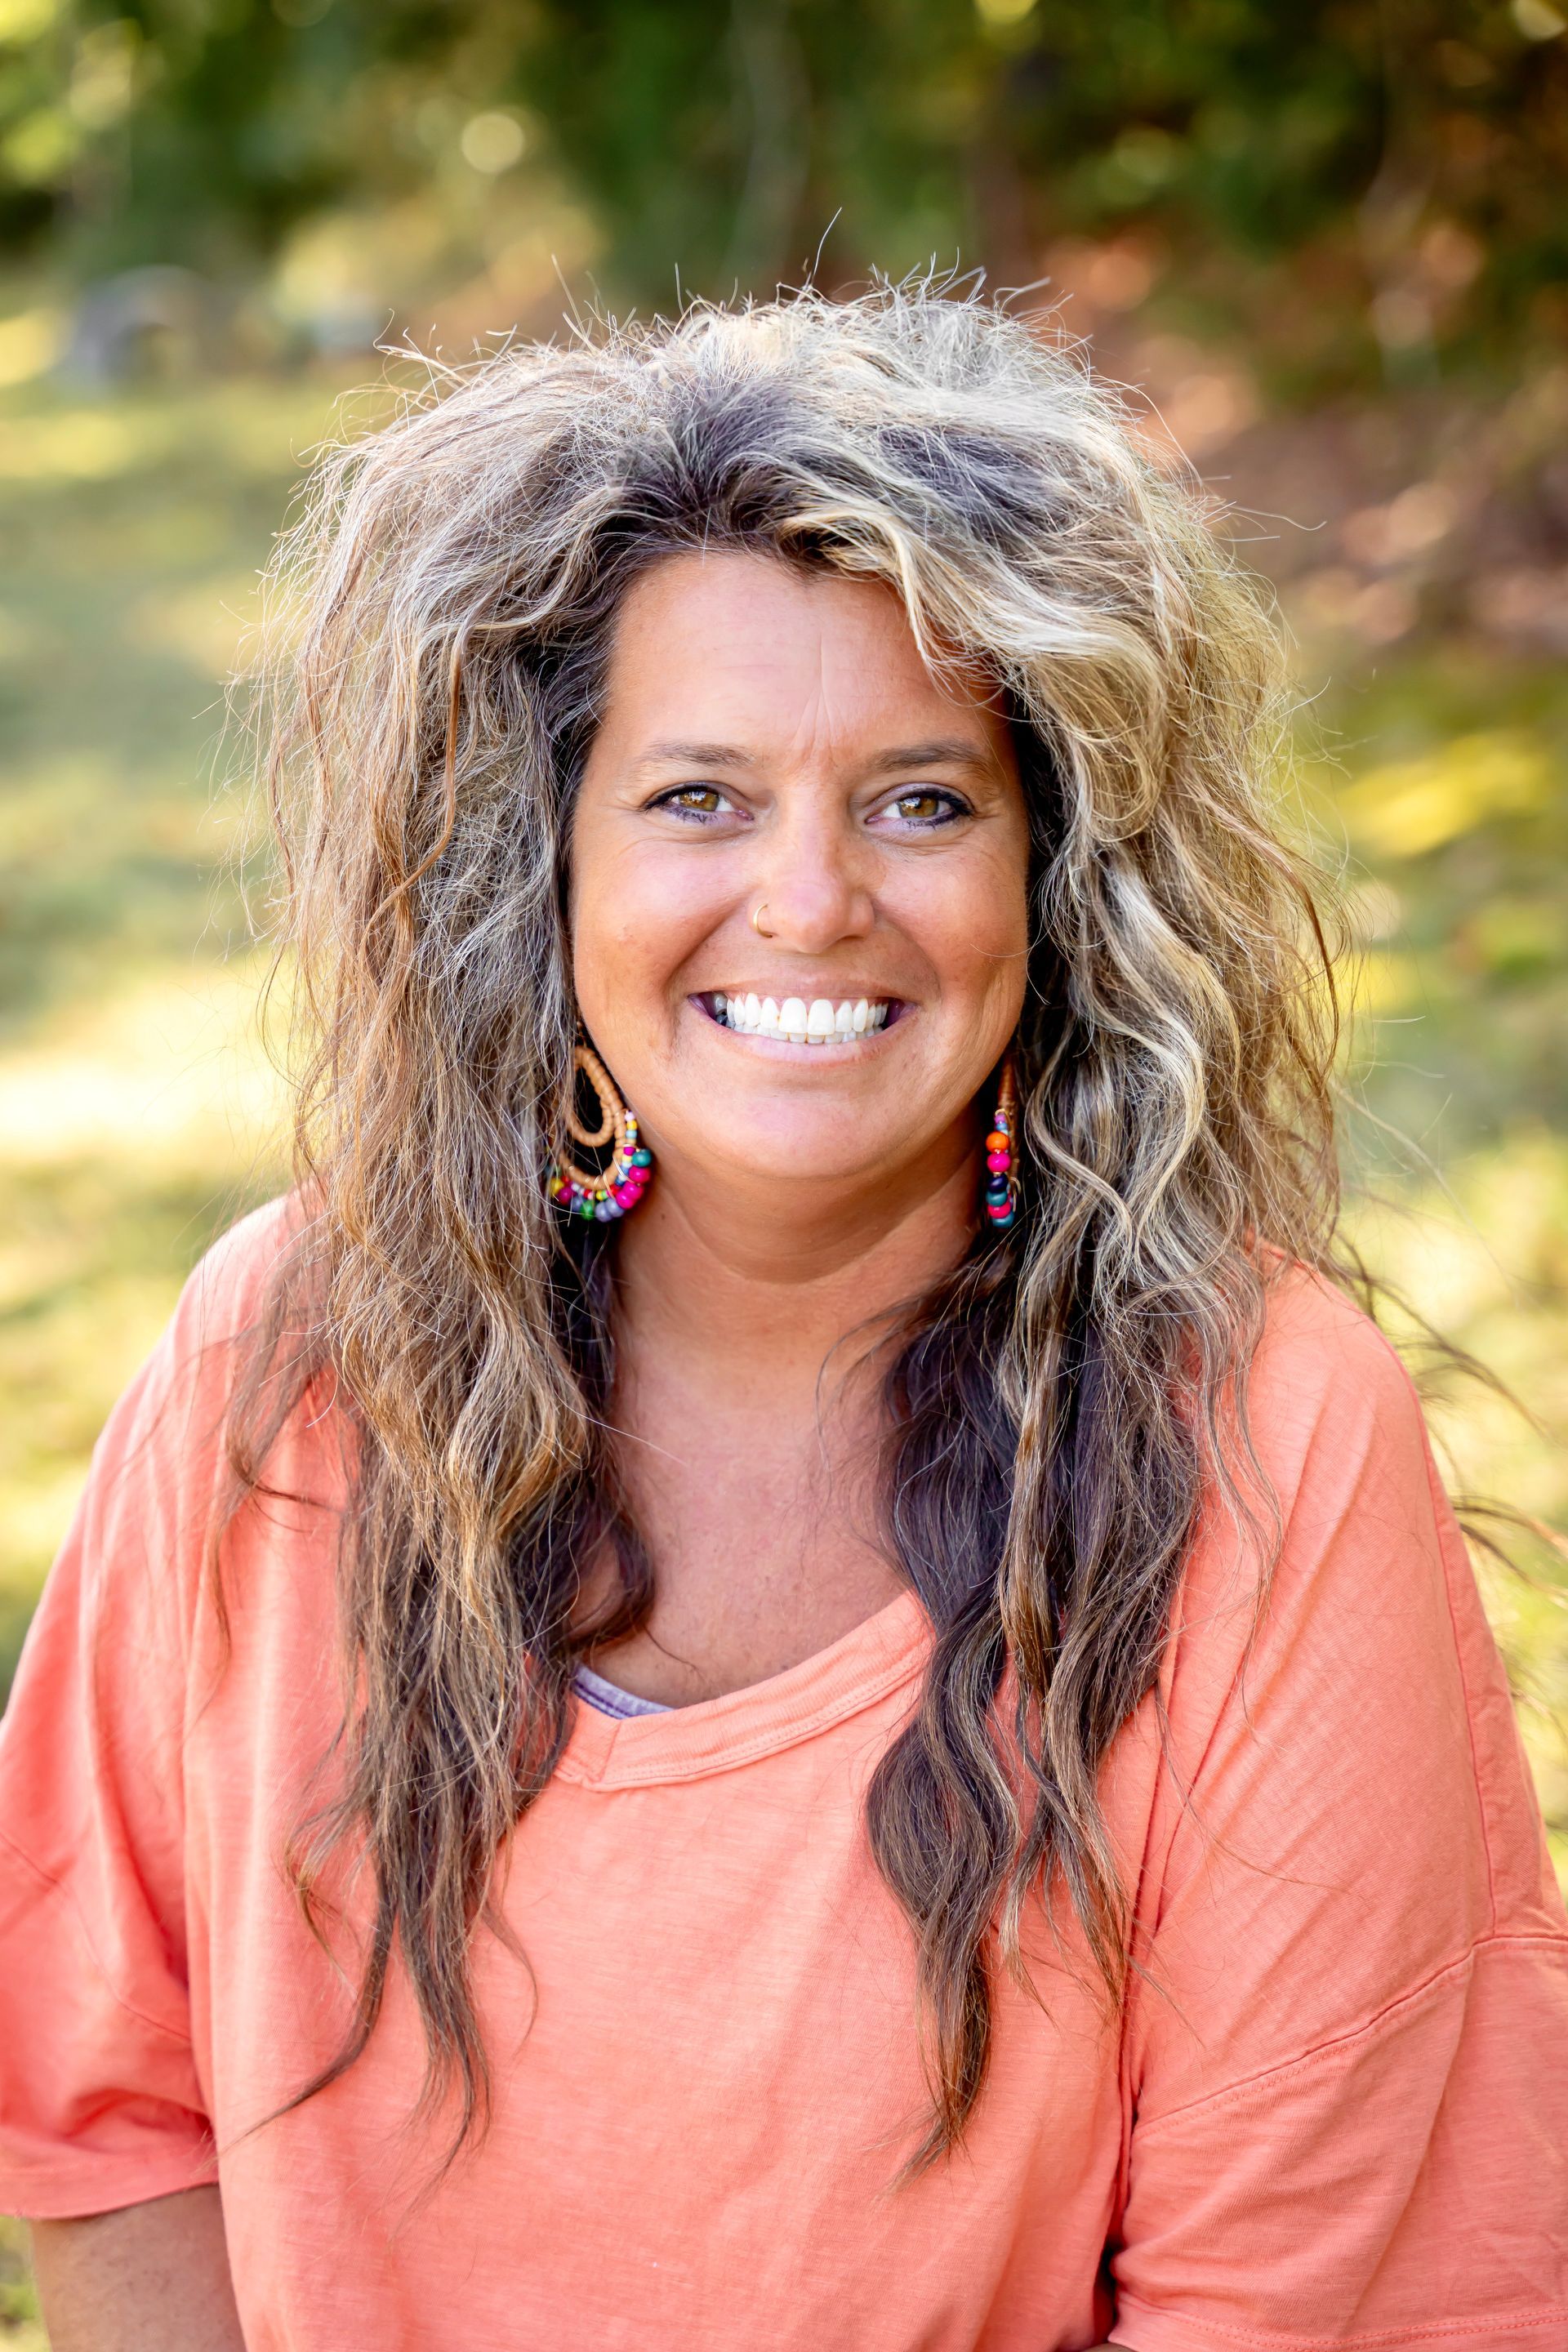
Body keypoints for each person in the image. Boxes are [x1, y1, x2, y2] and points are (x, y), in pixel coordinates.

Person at [1, 289, 1564, 2352]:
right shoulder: (288, 1358)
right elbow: (112, 2108)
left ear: (1055, 881)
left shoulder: (1259, 1432)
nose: (812, 903)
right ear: (540, 871)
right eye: (698, 798)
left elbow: (1285, 2292)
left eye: (923, 798)